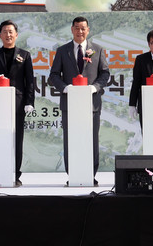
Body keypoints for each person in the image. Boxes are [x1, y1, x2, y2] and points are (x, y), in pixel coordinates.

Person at [48, 16, 109, 184]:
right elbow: (53, 75)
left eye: (83, 28)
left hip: (91, 104)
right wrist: (65, 88)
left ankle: (91, 175)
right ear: (72, 29)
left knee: (92, 139)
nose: (80, 31)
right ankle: (72, 174)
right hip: (70, 104)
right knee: (71, 139)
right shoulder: (63, 51)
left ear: (88, 30)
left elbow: (105, 73)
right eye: (77, 28)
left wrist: (95, 87)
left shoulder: (98, 49)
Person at [0, 20, 35, 187]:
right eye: (5, 32)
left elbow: (29, 81)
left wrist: (29, 102)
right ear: (0, 35)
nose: (8, 35)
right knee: (0, 138)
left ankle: (16, 175)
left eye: (11, 31)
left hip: (18, 103)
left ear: (16, 34)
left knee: (17, 140)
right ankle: (0, 172)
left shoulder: (25, 55)